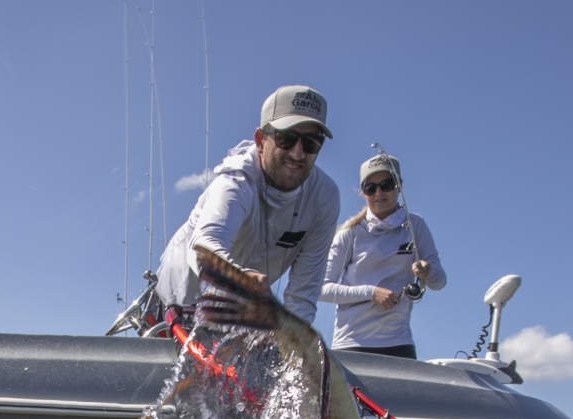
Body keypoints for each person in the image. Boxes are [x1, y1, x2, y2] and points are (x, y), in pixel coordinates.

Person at [156, 85, 341, 324]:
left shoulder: (325, 197)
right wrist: (239, 281)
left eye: (311, 142)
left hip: (235, 315)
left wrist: (297, 346)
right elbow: (205, 245)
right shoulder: (235, 181)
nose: (297, 153)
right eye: (286, 138)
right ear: (260, 140)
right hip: (174, 303)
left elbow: (303, 295)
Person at [319, 155, 446, 359]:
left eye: (386, 185)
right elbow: (322, 289)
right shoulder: (349, 232)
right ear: (363, 192)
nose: (379, 193)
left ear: (399, 187)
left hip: (399, 343)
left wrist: (428, 270)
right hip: (351, 343)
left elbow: (439, 282)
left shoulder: (416, 225)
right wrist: (371, 292)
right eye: (371, 188)